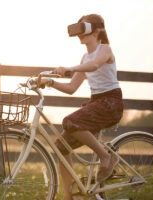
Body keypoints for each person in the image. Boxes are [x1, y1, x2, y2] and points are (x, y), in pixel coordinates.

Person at [43, 14, 124, 200]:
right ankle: (68, 195)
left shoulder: (105, 49)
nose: (80, 34)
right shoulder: (84, 57)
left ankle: (106, 157)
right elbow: (71, 88)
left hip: (111, 103)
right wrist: (50, 83)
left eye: (84, 29)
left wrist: (70, 68)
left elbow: (95, 65)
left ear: (96, 31)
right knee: (61, 146)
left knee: (70, 121)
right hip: (96, 103)